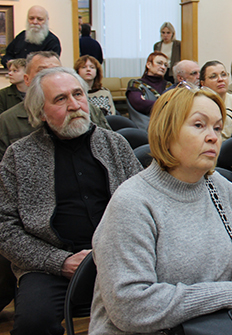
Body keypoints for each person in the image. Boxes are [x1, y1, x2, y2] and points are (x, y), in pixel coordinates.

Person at [89, 86, 232, 335]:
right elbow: (130, 307)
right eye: (199, 125)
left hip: (208, 326)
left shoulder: (212, 182)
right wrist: (228, 294)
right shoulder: (132, 203)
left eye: (217, 128)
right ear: (166, 132)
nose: (213, 137)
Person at [0, 67, 141, 335]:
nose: (75, 105)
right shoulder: (19, 156)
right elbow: (4, 227)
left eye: (78, 94)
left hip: (119, 257)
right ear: (41, 112)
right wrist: (59, 261)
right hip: (49, 265)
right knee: (33, 323)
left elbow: (145, 204)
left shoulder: (115, 145)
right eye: (60, 99)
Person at [0, 51, 110, 158]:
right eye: (42, 72)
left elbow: (109, 148)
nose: (51, 78)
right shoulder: (7, 122)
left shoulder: (89, 111)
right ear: (27, 79)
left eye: (56, 71)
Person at [200, 61, 232, 140]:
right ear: (203, 83)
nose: (220, 79)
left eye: (223, 75)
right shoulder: (198, 103)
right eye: (213, 76)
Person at [126, 51, 172, 130]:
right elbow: (139, 104)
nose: (163, 67)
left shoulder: (169, 86)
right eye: (159, 63)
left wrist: (149, 102)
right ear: (148, 65)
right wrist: (166, 104)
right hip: (144, 128)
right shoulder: (135, 84)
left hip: (167, 128)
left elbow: (176, 105)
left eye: (165, 65)